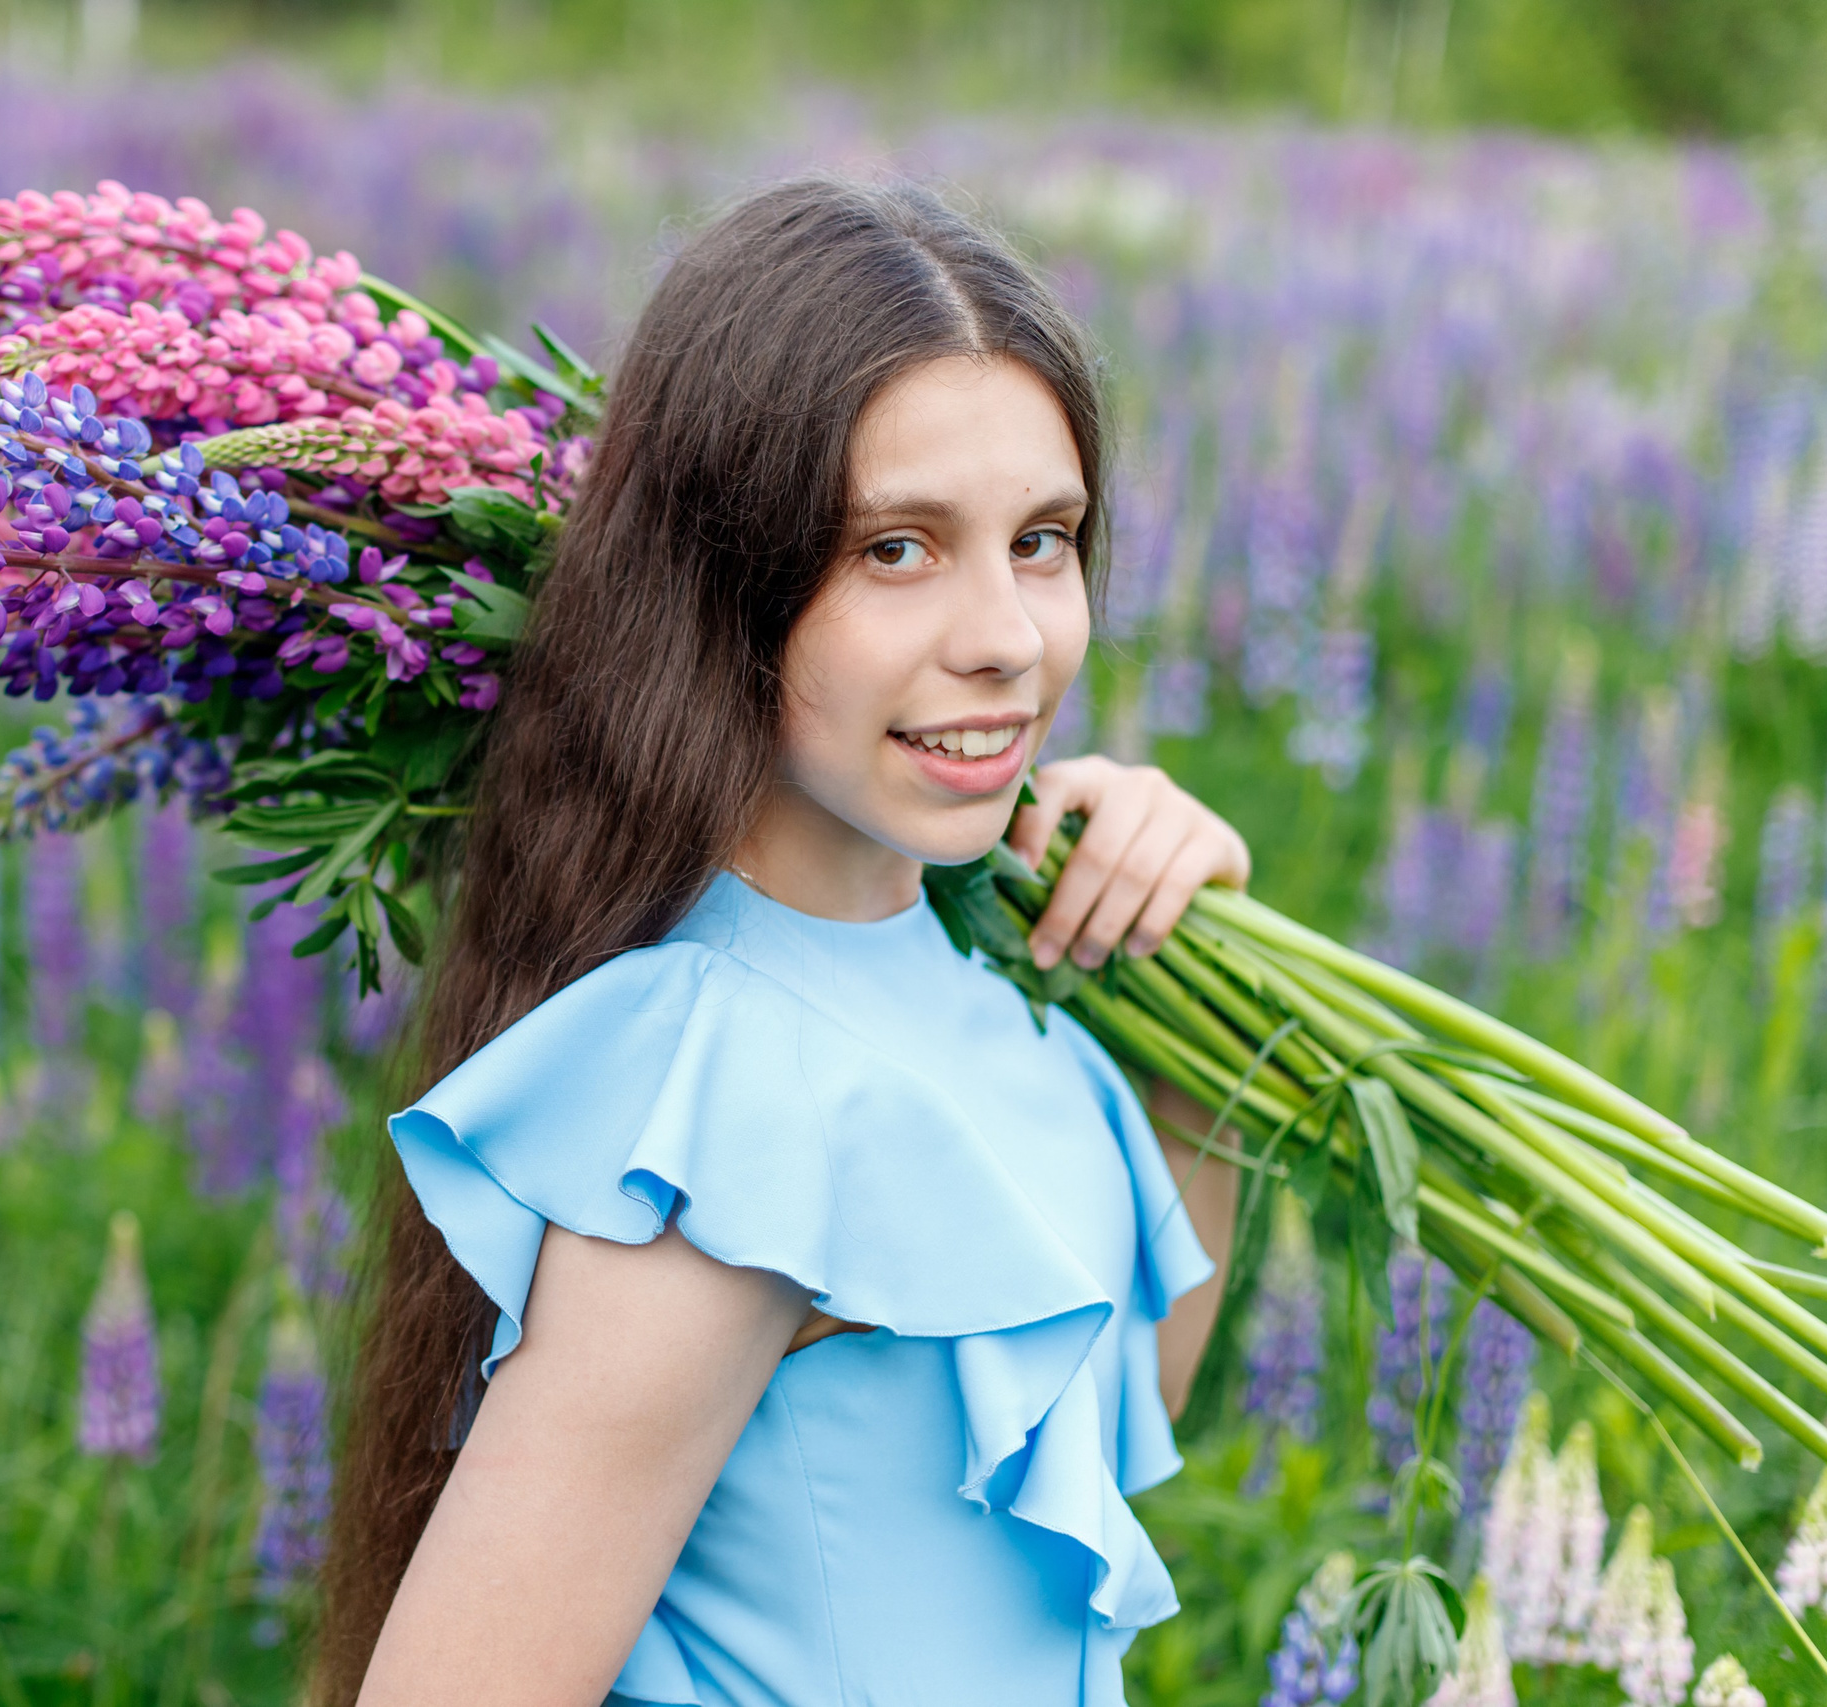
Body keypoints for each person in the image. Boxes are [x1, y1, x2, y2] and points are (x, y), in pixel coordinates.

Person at [319, 175, 1254, 1707]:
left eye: (1043, 538)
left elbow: (1109, 1414)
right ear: (723, 582)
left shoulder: (979, 992)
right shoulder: (730, 1090)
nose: (1005, 636)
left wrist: (1187, 983)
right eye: (896, 548)